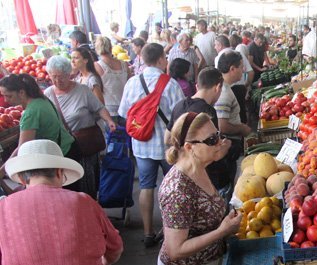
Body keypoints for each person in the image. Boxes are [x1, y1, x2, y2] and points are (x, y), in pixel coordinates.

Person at [0, 139, 126, 265]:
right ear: (60, 173)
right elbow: (115, 247)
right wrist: (104, 262)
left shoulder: (3, 211)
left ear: (23, 179)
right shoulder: (83, 202)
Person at [156, 112, 241, 265]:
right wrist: (222, 231)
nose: (219, 143)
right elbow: (176, 249)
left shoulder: (200, 166)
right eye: (212, 140)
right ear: (189, 147)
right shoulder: (177, 190)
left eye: (218, 135)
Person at [118, 43, 185, 247]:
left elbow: (123, 114)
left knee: (146, 186)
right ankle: (172, 230)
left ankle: (148, 232)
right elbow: (180, 116)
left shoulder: (132, 82)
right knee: (173, 187)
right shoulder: (170, 84)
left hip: (142, 144)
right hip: (167, 147)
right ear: (160, 60)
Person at [44, 56, 116, 198]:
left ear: (68, 74)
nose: (58, 81)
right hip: (62, 148)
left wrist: (109, 121)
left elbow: (99, 108)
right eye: (54, 77)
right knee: (66, 185)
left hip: (84, 146)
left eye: (61, 77)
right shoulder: (48, 94)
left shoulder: (82, 90)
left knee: (86, 184)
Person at [168, 67, 233, 195]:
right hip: (210, 178)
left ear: (198, 85)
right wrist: (227, 145)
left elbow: (168, 138)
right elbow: (216, 152)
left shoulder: (179, 106)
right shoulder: (207, 112)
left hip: (187, 172)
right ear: (218, 87)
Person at [0, 75, 77, 179]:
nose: (5, 100)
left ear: (21, 92)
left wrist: (3, 169)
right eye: (3, 96)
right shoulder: (41, 99)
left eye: (9, 96)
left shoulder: (31, 113)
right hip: (67, 148)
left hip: (60, 156)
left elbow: (23, 147)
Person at [215, 51, 252, 184]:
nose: (243, 70)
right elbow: (222, 126)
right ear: (232, 69)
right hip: (228, 146)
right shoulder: (224, 93)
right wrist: (242, 128)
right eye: (241, 67)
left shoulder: (225, 88)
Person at [94, 36, 131, 120]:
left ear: (97, 49)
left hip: (109, 108)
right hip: (125, 106)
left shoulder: (97, 66)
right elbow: (130, 84)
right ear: (111, 47)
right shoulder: (124, 64)